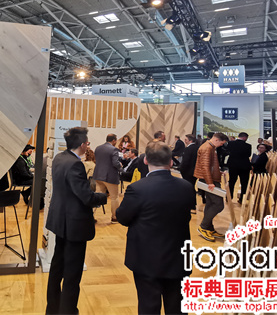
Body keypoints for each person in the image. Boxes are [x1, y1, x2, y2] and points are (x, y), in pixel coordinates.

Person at [116, 141, 195, 315]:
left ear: (145, 161)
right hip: (178, 255)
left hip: (146, 257)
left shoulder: (137, 188)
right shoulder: (186, 187)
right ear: (171, 162)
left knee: (148, 306)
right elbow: (186, 216)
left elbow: (122, 217)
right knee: (178, 306)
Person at [46, 127, 107, 314]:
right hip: (74, 224)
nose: (88, 146)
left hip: (60, 221)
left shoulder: (59, 158)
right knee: (72, 274)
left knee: (57, 267)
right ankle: (68, 310)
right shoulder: (75, 164)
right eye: (87, 143)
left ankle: (53, 309)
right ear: (82, 144)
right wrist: (103, 197)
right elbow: (86, 197)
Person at [194, 132, 228, 242]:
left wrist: (218, 172)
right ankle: (203, 227)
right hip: (209, 181)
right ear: (216, 140)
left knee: (210, 204)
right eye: (221, 143)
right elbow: (205, 166)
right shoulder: (207, 148)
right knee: (218, 204)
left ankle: (209, 228)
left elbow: (210, 165)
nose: (221, 145)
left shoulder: (210, 147)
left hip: (211, 179)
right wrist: (209, 182)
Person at [92, 134, 123, 223]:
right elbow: (115, 163)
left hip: (98, 175)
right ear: (114, 140)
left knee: (97, 196)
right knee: (114, 197)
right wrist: (120, 166)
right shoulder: (114, 149)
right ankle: (114, 217)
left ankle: (90, 215)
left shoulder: (98, 148)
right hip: (110, 176)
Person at [226, 132, 252, 204]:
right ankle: (242, 199)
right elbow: (248, 155)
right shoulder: (248, 146)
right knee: (244, 183)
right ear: (245, 137)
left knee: (232, 181)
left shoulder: (230, 143)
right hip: (244, 166)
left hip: (233, 165)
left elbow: (227, 152)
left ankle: (229, 197)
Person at [179, 134, 199, 212]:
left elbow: (186, 162)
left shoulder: (188, 149)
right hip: (195, 171)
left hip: (188, 172)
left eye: (186, 139)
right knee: (192, 187)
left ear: (190, 140)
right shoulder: (197, 148)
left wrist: (181, 169)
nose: (185, 141)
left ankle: (190, 205)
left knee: (188, 188)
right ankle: (193, 205)